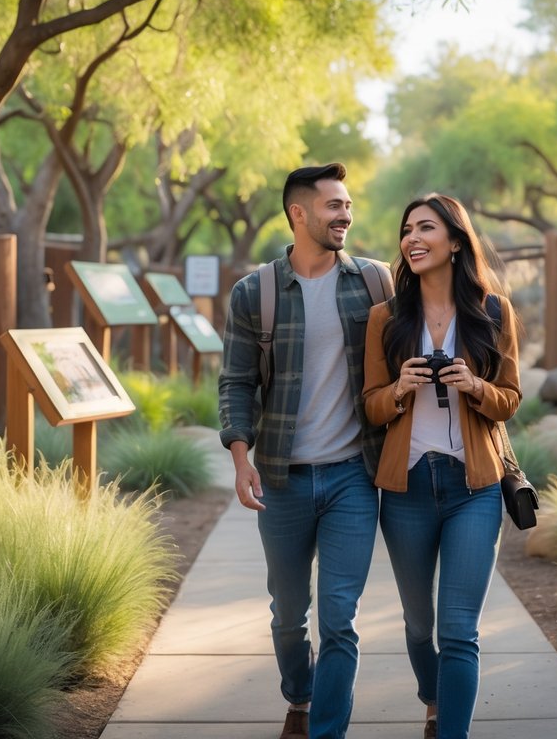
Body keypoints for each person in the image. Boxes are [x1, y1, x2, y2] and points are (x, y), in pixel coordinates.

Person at [218, 163, 391, 739]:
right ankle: (300, 694)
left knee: (340, 618)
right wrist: (241, 459)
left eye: (347, 205)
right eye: (333, 206)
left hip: (352, 478)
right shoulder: (255, 292)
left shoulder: (374, 283)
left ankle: (327, 730)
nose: (345, 215)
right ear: (299, 213)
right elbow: (236, 382)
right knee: (289, 617)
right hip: (283, 478)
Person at [362, 194, 522, 739]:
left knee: (458, 631)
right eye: (406, 229)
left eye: (425, 228)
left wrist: (476, 386)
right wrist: (399, 389)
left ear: (455, 241)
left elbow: (511, 399)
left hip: (473, 488)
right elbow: (370, 403)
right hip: (406, 490)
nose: (412, 239)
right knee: (417, 625)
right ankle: (433, 699)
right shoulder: (385, 318)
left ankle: (450, 729)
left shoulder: (493, 312)